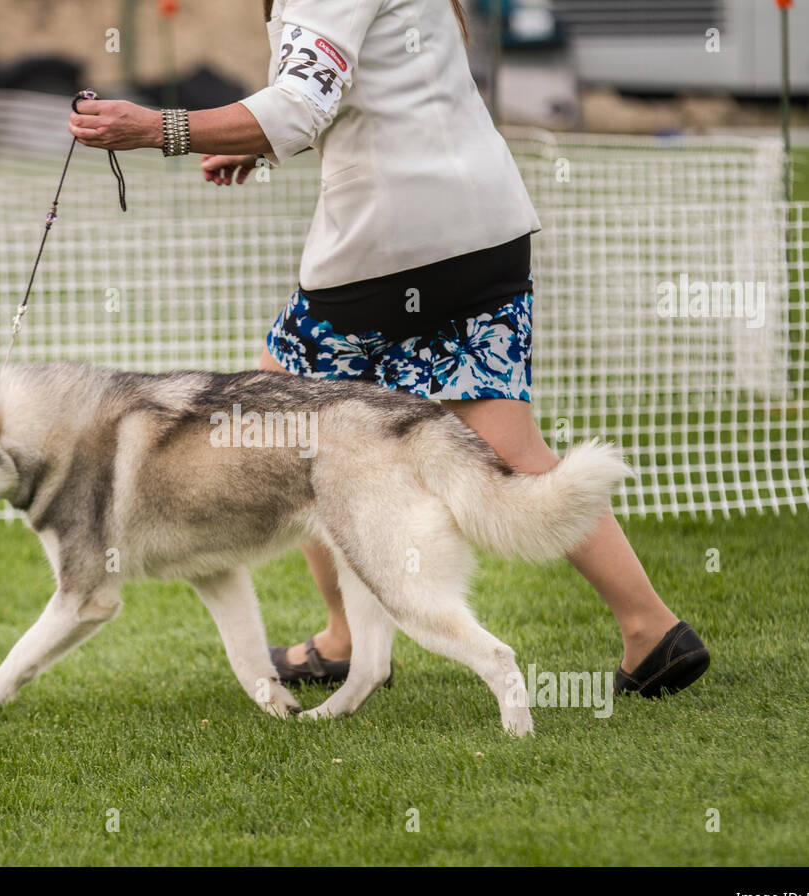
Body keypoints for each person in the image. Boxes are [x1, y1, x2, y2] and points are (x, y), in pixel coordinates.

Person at [67, 0, 709, 699]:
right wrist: (253, 141)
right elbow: (380, 90)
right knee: (512, 452)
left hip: (392, 246)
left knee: (287, 428)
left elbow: (296, 106)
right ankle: (653, 630)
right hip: (483, 234)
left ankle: (345, 640)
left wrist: (158, 128)